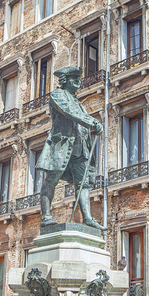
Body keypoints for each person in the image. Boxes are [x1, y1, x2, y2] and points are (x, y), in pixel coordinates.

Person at [36, 66, 106, 231]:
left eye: (79, 78)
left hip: (80, 147)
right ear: (65, 80)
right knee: (51, 179)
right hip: (61, 145)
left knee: (83, 184)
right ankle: (46, 217)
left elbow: (81, 116)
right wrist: (92, 122)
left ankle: (87, 218)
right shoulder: (58, 95)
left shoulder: (78, 102)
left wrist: (94, 127)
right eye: (75, 78)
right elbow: (69, 112)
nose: (79, 81)